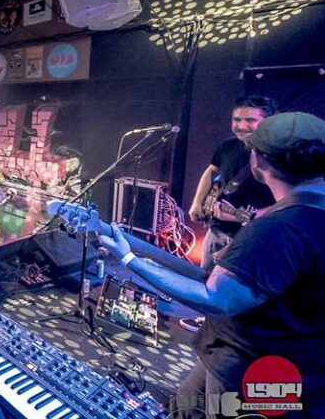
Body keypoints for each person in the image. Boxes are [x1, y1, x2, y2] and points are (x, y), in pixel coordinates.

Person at [97, 112, 325, 418]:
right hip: (279, 361)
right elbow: (212, 279)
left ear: (258, 161)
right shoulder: (309, 212)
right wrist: (134, 244)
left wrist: (128, 260)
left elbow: (214, 299)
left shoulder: (278, 228)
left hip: (245, 367)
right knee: (184, 407)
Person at [182, 96, 277, 332]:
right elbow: (210, 170)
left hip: (251, 234)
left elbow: (290, 201)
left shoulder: (277, 154)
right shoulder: (227, 146)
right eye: (237, 119)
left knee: (236, 286)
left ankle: (230, 329)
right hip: (218, 228)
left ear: (268, 122)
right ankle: (208, 321)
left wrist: (245, 218)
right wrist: (197, 202)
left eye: (250, 120)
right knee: (208, 275)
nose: (241, 125)